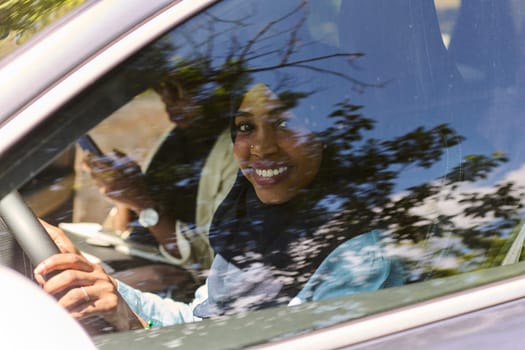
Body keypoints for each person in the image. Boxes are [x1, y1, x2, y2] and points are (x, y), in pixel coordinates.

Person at [34, 77, 404, 331]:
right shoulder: (248, 218)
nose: (261, 146)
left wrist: (137, 326)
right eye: (245, 127)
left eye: (284, 124)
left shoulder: (356, 256)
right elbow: (201, 320)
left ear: (326, 136)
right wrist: (110, 293)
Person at [83, 75, 237, 275]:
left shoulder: (234, 152)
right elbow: (124, 227)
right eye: (163, 94)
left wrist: (142, 203)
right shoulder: (176, 137)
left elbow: (206, 262)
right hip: (134, 254)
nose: (168, 106)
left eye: (178, 93)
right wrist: (121, 191)